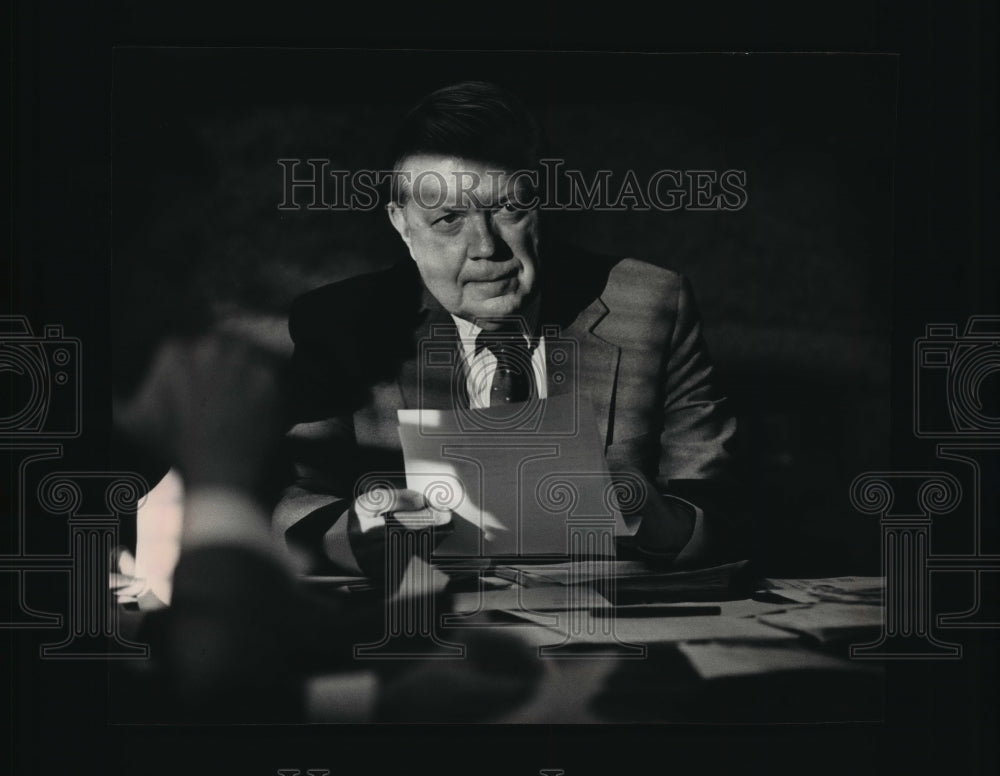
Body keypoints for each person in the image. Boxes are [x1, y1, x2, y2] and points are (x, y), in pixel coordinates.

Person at [275, 80, 747, 579]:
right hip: (437, 625)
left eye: (509, 208)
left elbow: (724, 511)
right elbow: (289, 503)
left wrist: (654, 518)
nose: (486, 247)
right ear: (401, 223)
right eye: (448, 219)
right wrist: (362, 532)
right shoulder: (343, 321)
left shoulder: (650, 303)